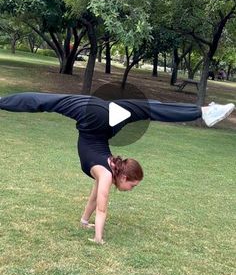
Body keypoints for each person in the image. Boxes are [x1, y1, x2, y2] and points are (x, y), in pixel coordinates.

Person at [0, 92, 235, 244]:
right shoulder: (104, 172)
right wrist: (98, 238)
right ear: (123, 176)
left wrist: (84, 222)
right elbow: (102, 208)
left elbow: (93, 201)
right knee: (45, 101)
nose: (131, 189)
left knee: (149, 108)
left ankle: (204, 111)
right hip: (92, 113)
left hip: (107, 117)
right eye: (132, 184)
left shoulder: (106, 168)